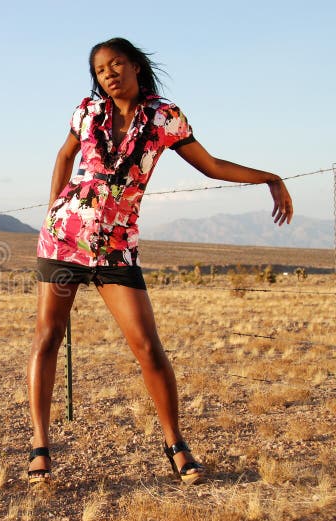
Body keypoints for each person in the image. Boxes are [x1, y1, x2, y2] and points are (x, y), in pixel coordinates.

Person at [26, 37, 293, 486]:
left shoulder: (164, 117)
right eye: (99, 70)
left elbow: (210, 165)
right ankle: (39, 447)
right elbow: (64, 155)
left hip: (116, 248)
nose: (108, 74)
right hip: (62, 243)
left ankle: (175, 444)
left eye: (116, 64)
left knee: (148, 347)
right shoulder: (86, 112)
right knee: (48, 338)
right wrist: (53, 211)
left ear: (135, 65)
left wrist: (269, 177)